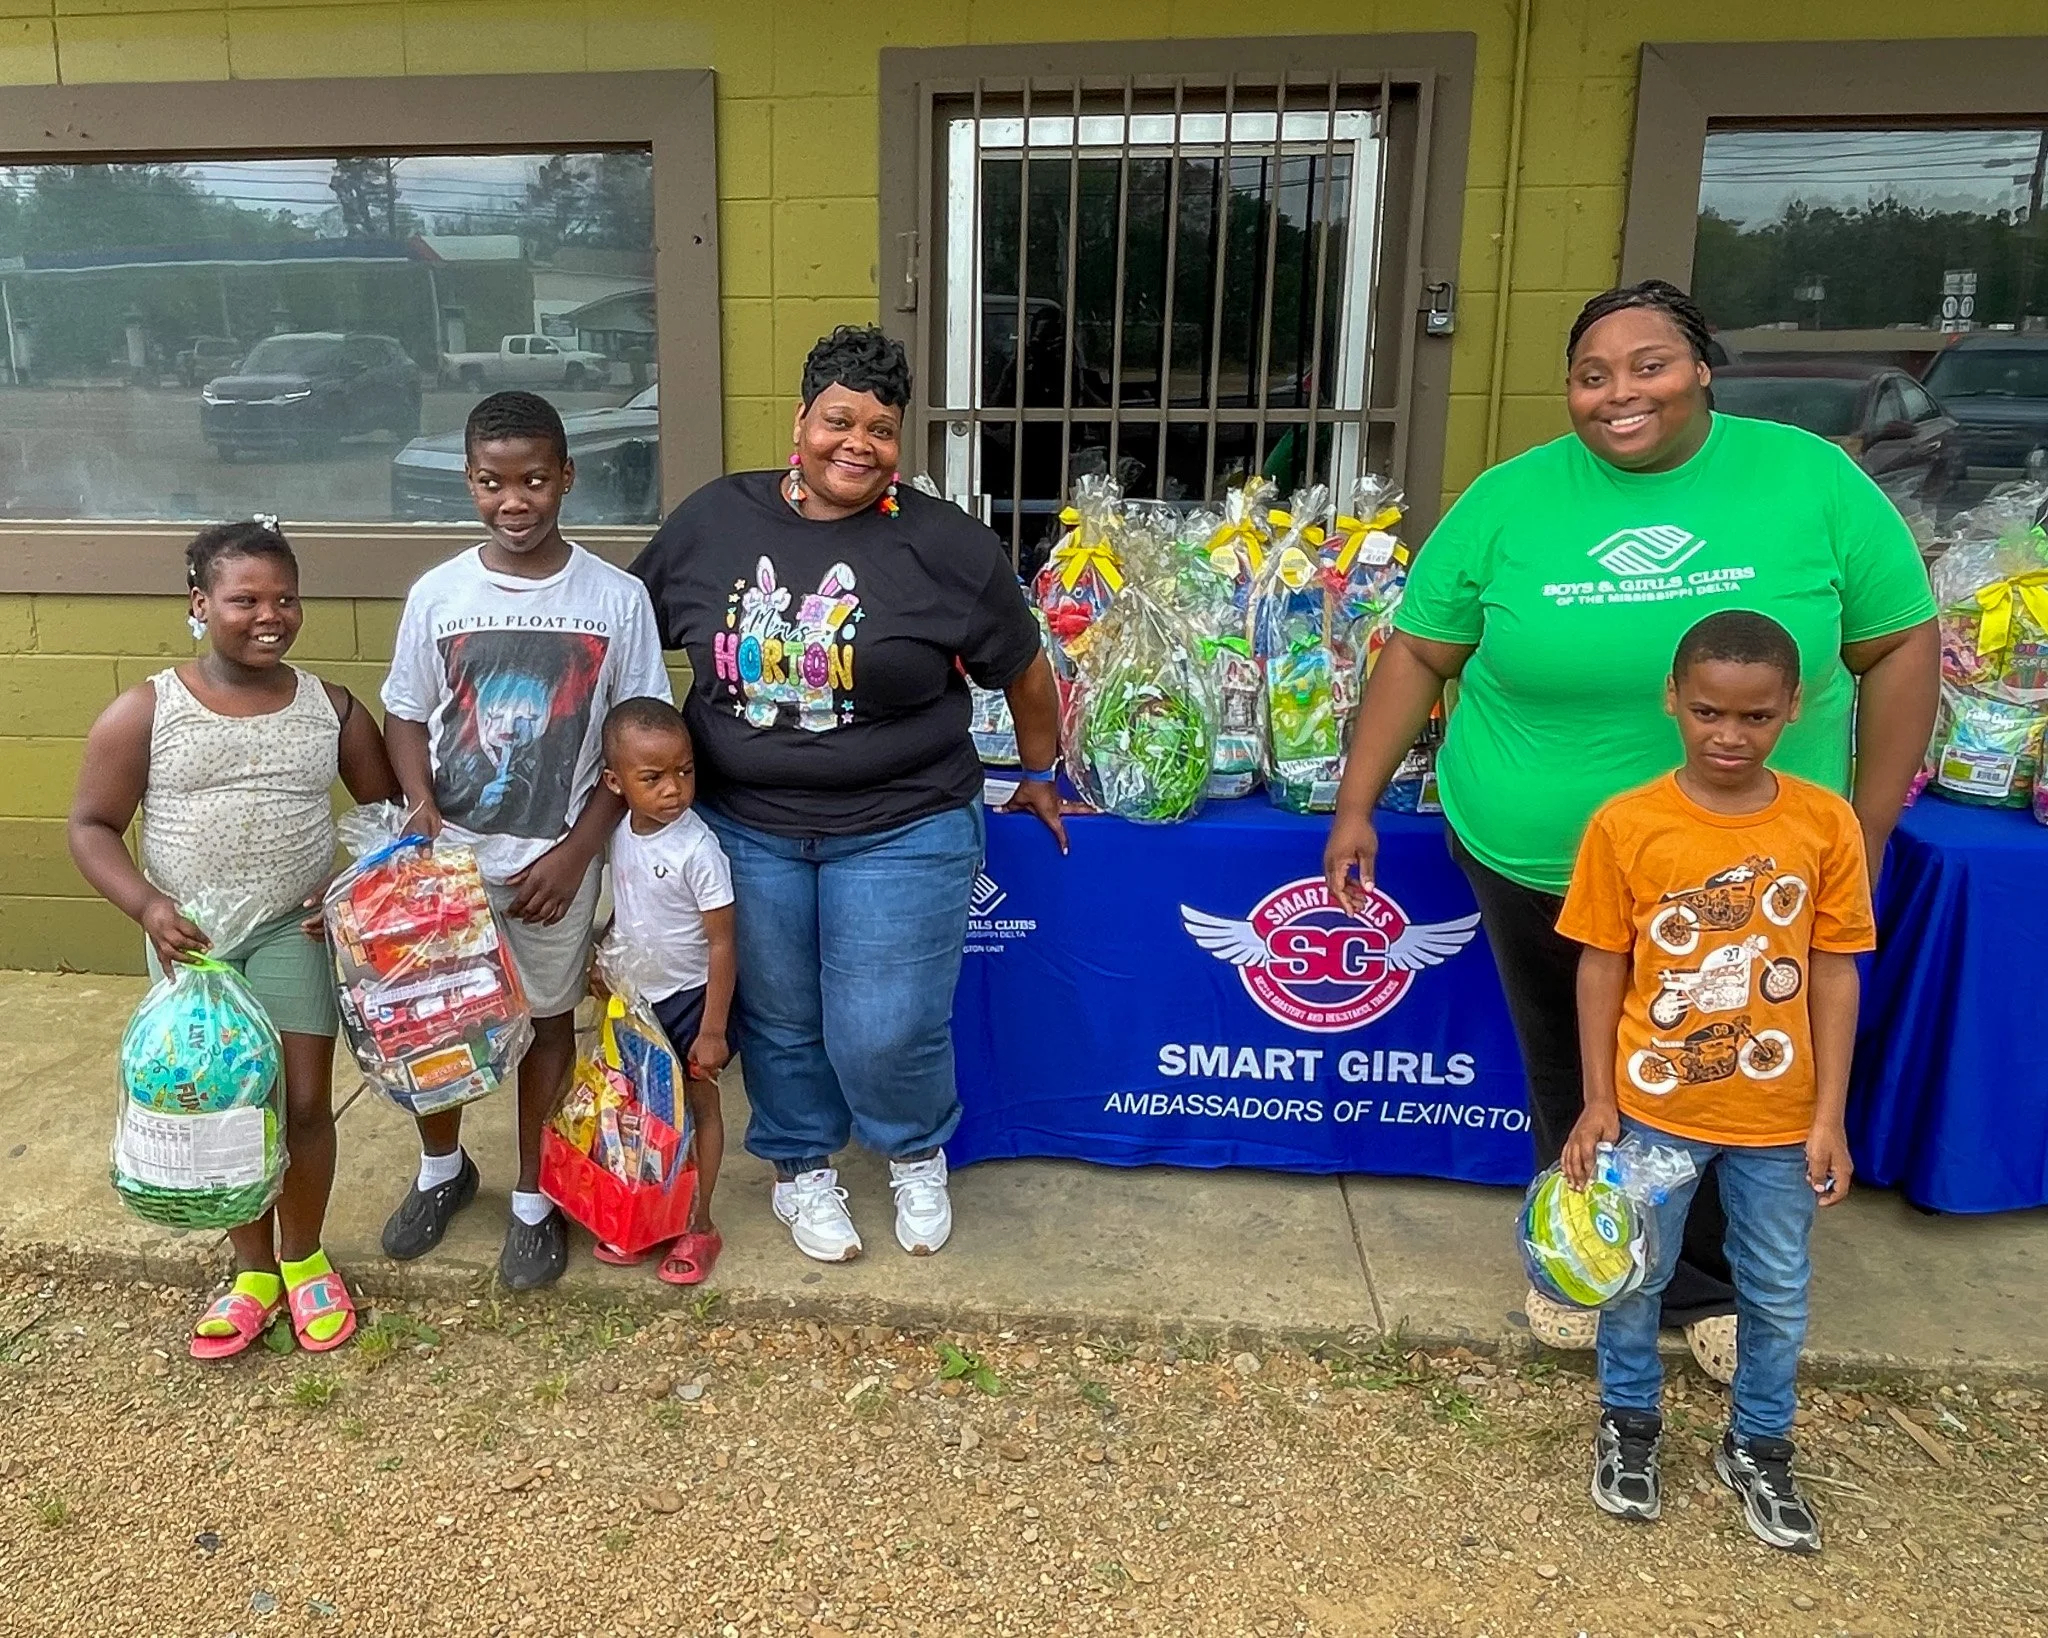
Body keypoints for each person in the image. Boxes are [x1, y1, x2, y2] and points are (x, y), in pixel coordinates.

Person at [1323, 280, 1937, 1379]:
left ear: (1701, 368)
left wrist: (1870, 821)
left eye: (1647, 364)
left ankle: (1710, 1282)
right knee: (1574, 1062)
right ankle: (1586, 1256)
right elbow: (1418, 649)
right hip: (1537, 856)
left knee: (1724, 1070)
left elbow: (1896, 643)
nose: (1617, 393)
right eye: (1590, 374)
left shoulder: (1809, 480)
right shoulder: (1510, 498)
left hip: (1752, 870)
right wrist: (1355, 803)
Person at [631, 325, 1067, 1264]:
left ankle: (913, 1151)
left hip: (902, 825)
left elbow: (1025, 669)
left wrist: (1039, 773)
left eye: (881, 428)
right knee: (779, 1020)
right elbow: (627, 636)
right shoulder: (716, 521)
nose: (856, 445)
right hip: (744, 828)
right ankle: (801, 1168)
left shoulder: (946, 545)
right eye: (839, 419)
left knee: (886, 1028)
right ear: (800, 420)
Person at [1556, 609, 1869, 1554]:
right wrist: (1598, 1098)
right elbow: (1601, 965)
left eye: (1756, 718)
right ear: (1673, 701)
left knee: (1775, 1289)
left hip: (1779, 1119)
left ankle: (1761, 1444)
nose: (1729, 736)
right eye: (1708, 713)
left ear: (1792, 710)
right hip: (1653, 1110)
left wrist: (1830, 1116)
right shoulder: (1626, 825)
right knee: (1634, 1277)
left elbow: (1836, 970)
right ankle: (1629, 1424)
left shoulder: (1824, 823)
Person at [69, 521, 401, 1357]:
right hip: (193, 951)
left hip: (292, 934)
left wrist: (347, 883)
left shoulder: (329, 708)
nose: (271, 615)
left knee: (300, 1104)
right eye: (245, 599)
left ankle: (305, 1256)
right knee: (222, 1106)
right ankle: (250, 1270)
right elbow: (91, 826)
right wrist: (146, 906)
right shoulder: (148, 709)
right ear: (198, 604)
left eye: (286, 598)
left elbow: (386, 819)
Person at [378, 390, 671, 1291]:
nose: (515, 500)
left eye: (535, 479)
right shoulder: (439, 594)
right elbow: (404, 712)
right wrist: (420, 809)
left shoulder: (614, 599)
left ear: (567, 478)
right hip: (449, 864)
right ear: (469, 483)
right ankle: (441, 1170)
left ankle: (535, 1201)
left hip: (554, 862)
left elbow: (635, 739)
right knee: (438, 1023)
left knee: (548, 1025)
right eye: (492, 481)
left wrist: (580, 850)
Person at [592, 696, 736, 1285]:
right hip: (637, 1002)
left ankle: (699, 1223)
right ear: (615, 782)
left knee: (699, 1107)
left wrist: (713, 1031)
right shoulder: (622, 832)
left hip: (691, 1001)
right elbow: (627, 910)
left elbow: (724, 944)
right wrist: (603, 960)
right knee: (644, 1114)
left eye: (685, 771)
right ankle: (647, 1217)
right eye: (652, 778)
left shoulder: (698, 850)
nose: (674, 789)